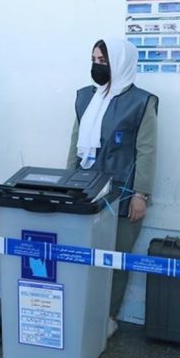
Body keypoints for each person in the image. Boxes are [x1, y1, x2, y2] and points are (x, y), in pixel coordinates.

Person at [67, 38, 158, 337]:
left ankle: (109, 316)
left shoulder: (142, 102)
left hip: (124, 195)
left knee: (117, 260)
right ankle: (84, 311)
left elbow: (147, 150)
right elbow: (75, 144)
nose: (97, 66)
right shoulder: (85, 97)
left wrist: (141, 194)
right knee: (84, 257)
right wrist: (67, 186)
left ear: (119, 63)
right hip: (86, 192)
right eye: (94, 59)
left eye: (103, 61)